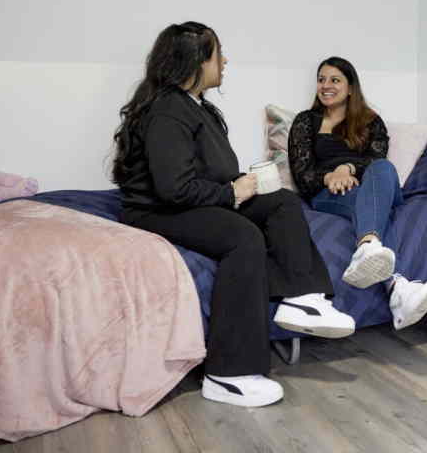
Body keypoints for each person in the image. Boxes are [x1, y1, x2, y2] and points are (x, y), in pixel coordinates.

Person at [112, 22, 354, 408]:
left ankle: (301, 297)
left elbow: (203, 170)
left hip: (197, 197)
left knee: (283, 202)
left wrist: (242, 183)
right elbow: (172, 189)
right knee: (243, 237)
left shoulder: (199, 107)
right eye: (218, 53)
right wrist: (230, 193)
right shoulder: (168, 110)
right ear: (196, 60)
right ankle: (228, 374)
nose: (225, 61)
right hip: (156, 211)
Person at [288, 56, 427, 331]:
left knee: (382, 168)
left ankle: (368, 247)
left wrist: (346, 168)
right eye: (321, 79)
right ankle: (399, 288)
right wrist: (330, 177)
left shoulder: (371, 121)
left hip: (374, 186)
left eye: (335, 80)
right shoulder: (305, 122)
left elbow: (375, 159)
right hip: (328, 194)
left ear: (350, 87)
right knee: (375, 212)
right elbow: (302, 174)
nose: (326, 85)